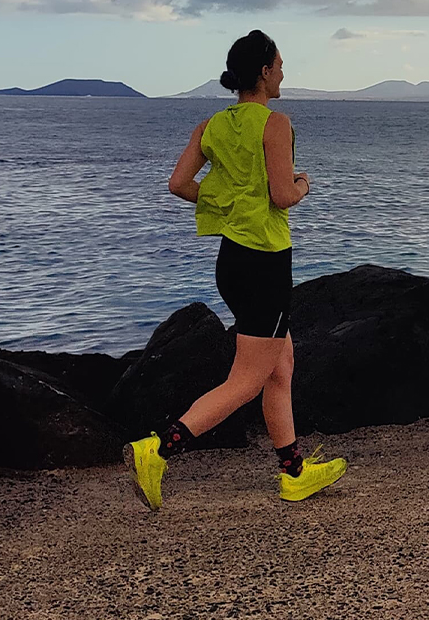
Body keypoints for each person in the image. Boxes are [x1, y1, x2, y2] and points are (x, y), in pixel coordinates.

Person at [123, 30, 347, 510]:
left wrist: (226, 203)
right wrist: (304, 184)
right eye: (279, 66)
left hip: (232, 262)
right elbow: (282, 196)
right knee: (246, 380)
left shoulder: (211, 126)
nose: (283, 74)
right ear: (264, 72)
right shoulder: (275, 124)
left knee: (280, 366)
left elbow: (179, 184)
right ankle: (157, 450)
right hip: (266, 264)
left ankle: (294, 473)